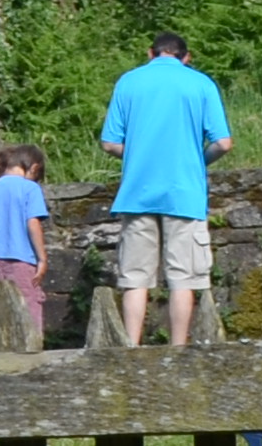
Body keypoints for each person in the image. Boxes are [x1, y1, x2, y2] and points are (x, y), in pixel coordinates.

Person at [99, 31, 234, 346]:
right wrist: (198, 161)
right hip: (184, 192)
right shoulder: (201, 84)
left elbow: (109, 143)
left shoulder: (128, 82)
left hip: (137, 192)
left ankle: (131, 347)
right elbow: (223, 144)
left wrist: (135, 155)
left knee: (135, 278)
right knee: (182, 278)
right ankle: (177, 348)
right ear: (186, 57)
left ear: (151, 53)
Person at [0, 146, 52, 346]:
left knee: (2, 315)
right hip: (23, 262)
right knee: (29, 313)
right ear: (34, 168)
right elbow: (32, 223)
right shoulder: (30, 188)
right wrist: (42, 258)